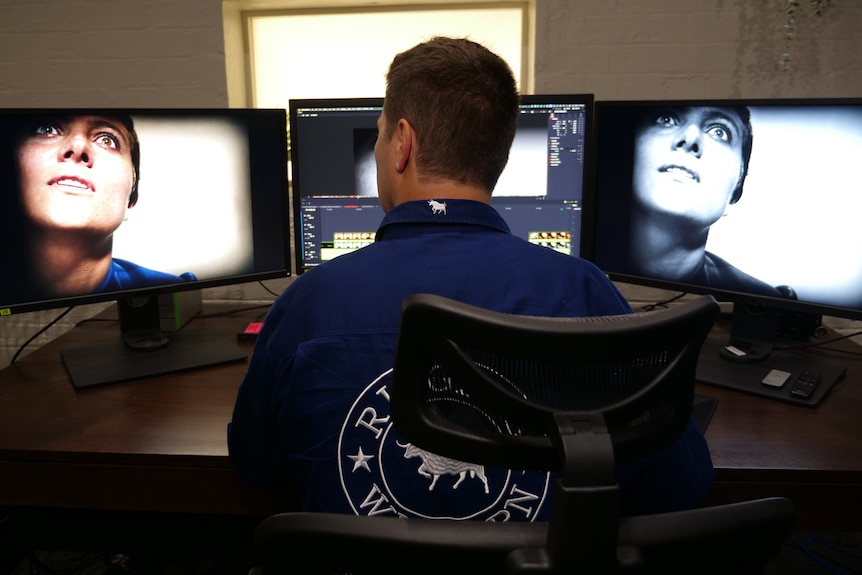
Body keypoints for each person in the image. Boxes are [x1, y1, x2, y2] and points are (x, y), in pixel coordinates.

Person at [228, 37, 715, 521]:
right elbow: (679, 481)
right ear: (496, 156)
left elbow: (256, 464)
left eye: (379, 135)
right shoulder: (581, 290)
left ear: (402, 143)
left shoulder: (310, 302)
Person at [1, 113, 195, 305]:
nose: (78, 146)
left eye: (107, 140)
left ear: (130, 201)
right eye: (47, 129)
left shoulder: (171, 293)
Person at [628, 105, 795, 299]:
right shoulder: (585, 269)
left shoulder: (767, 301)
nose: (690, 138)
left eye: (719, 132)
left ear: (735, 193)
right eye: (666, 119)